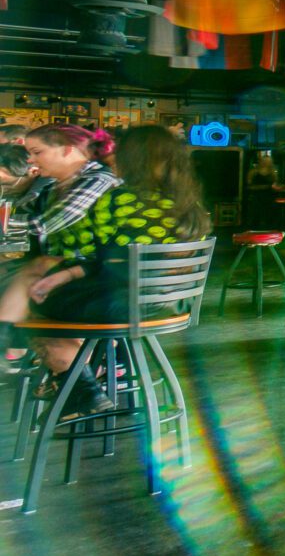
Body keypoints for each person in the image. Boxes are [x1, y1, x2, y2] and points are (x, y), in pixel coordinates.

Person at [9, 126, 208, 405]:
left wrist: (59, 273)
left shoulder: (117, 200)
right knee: (40, 297)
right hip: (169, 304)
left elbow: (89, 254)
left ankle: (80, 383)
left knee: (29, 305)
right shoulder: (192, 206)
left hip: (121, 305)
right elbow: (119, 260)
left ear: (129, 159)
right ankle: (89, 378)